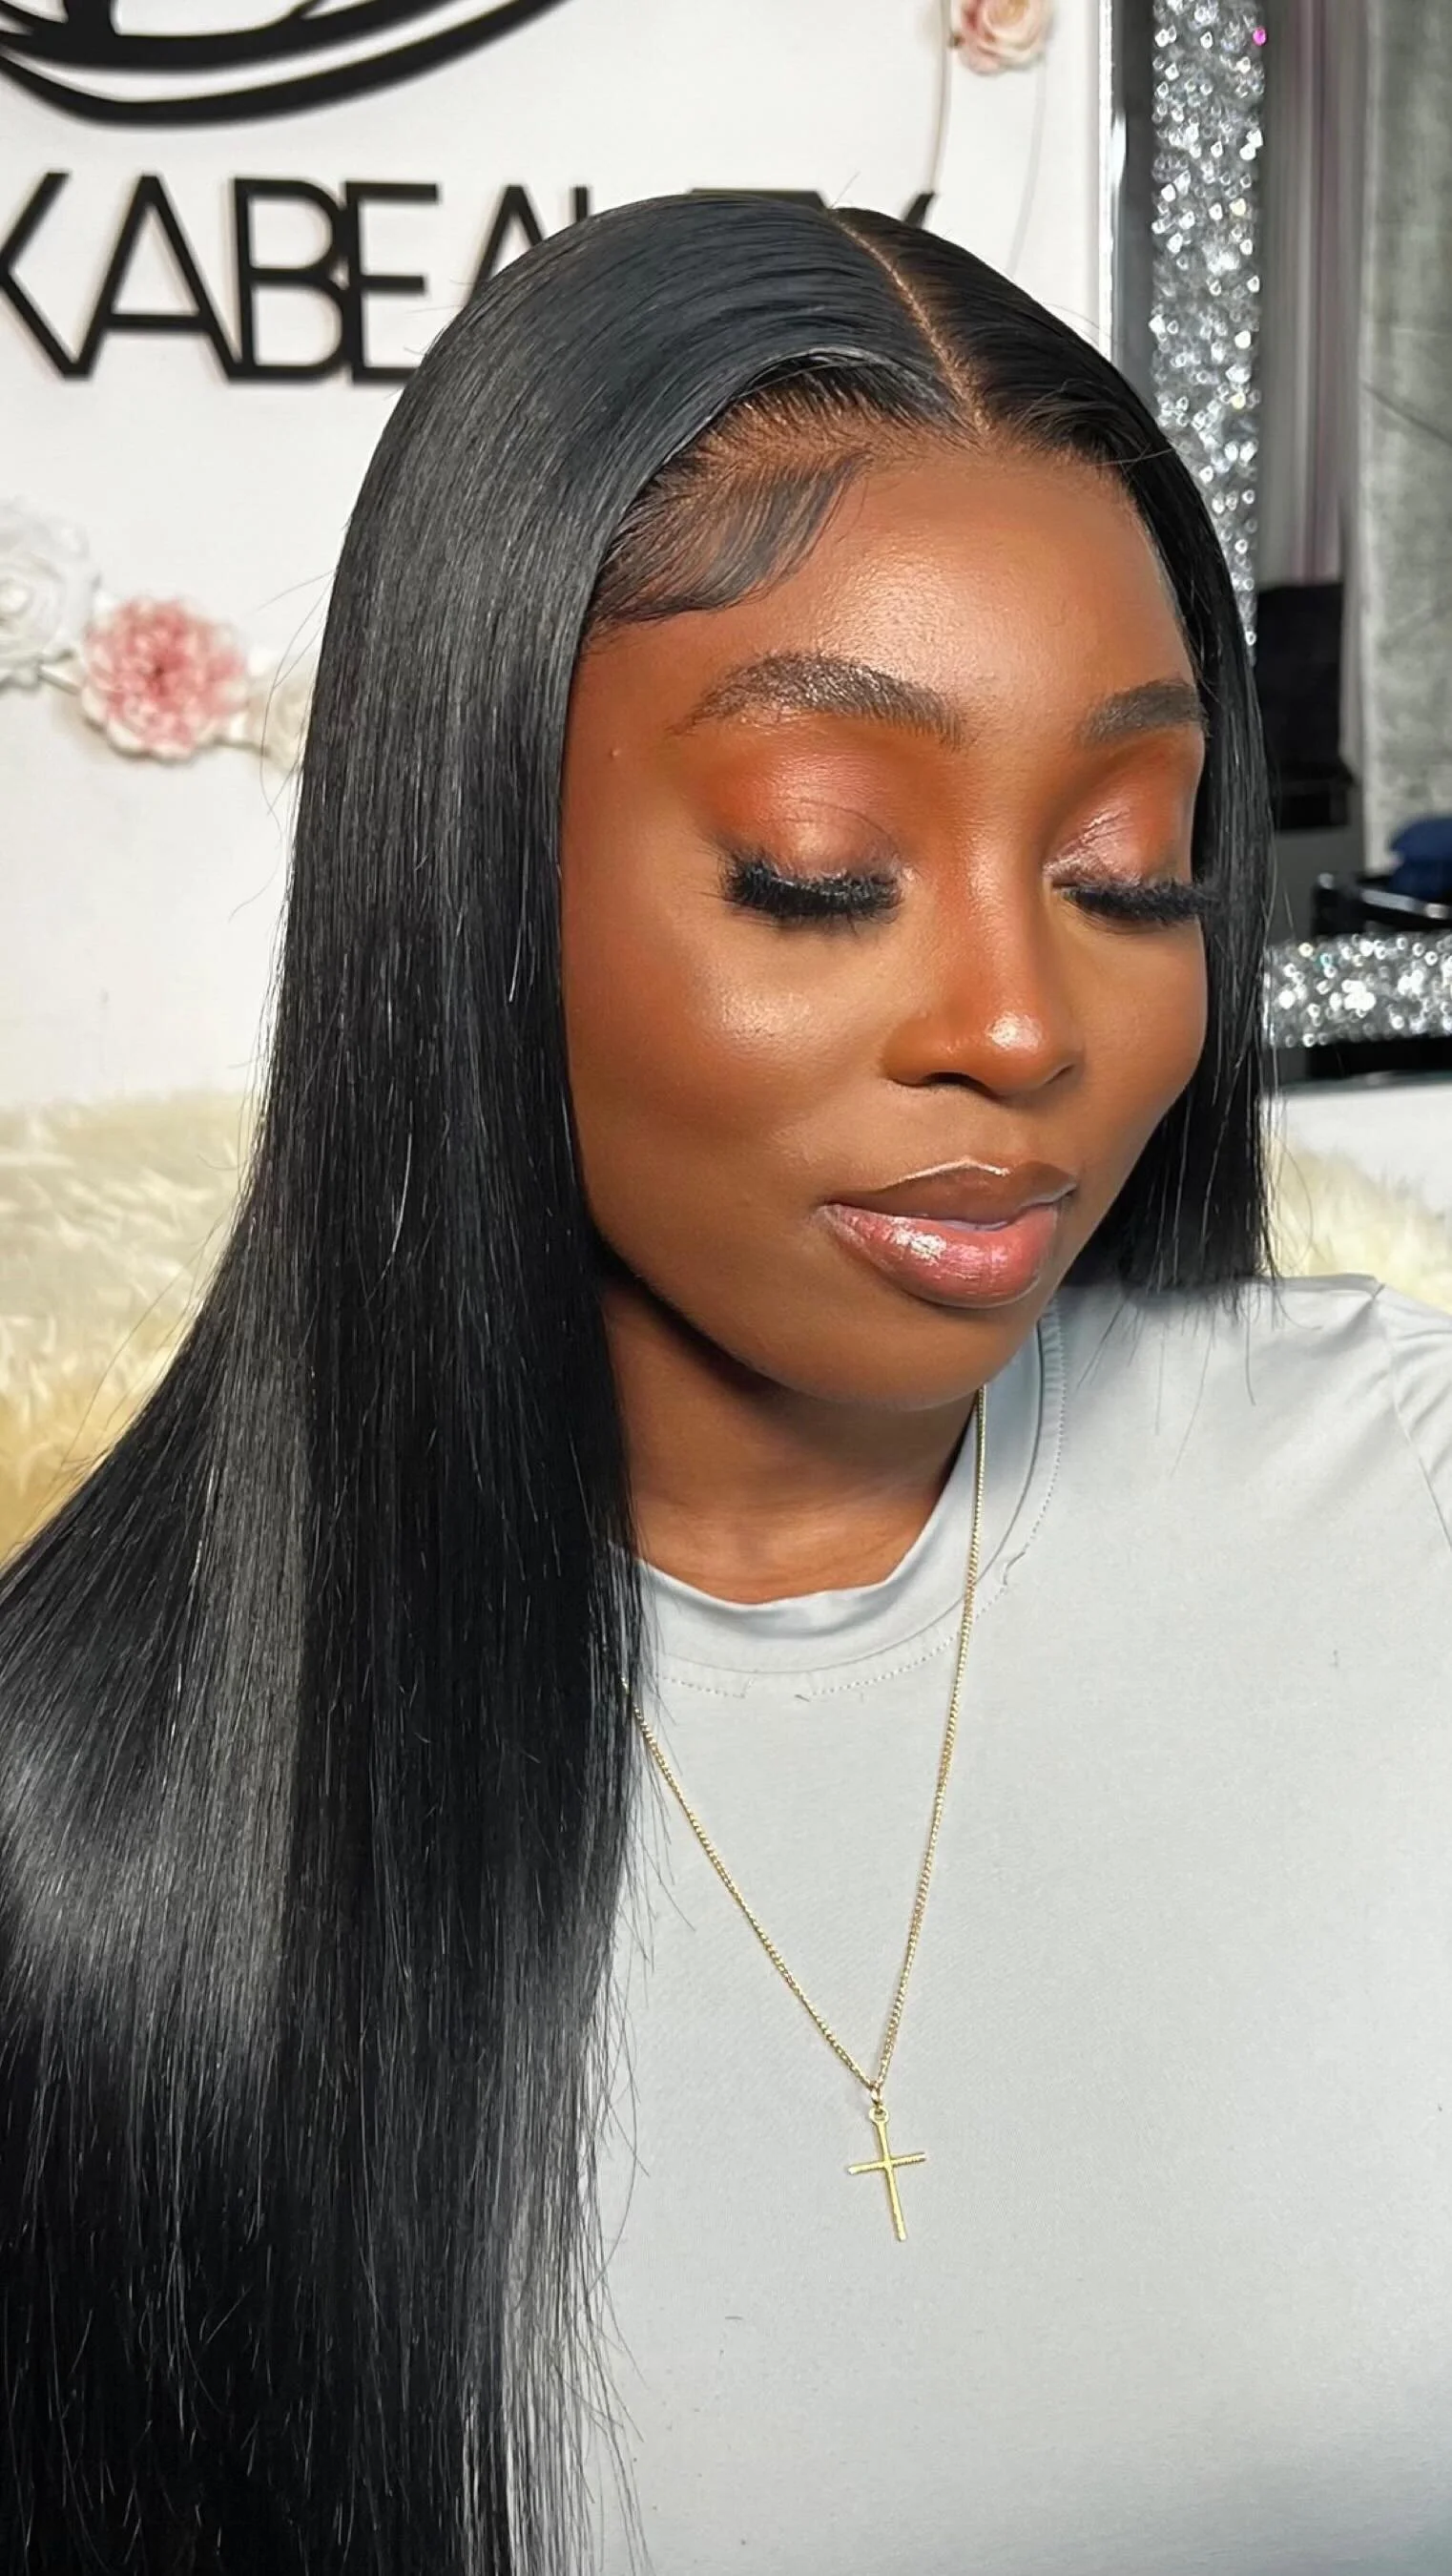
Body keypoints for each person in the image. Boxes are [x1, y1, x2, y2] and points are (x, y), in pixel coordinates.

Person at [1, 190, 1449, 2576]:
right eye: (816, 868)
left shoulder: (1396, 1499)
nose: (1020, 1023)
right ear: (468, 872)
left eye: (1124, 869)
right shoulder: (99, 1826)